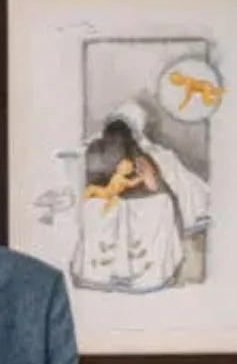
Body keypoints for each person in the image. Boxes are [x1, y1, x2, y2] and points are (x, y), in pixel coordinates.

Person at [70, 101, 210, 293]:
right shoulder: (95, 149)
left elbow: (153, 185)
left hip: (135, 202)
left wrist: (149, 180)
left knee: (163, 205)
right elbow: (92, 181)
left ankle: (137, 270)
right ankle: (111, 271)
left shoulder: (143, 154)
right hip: (109, 201)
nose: (116, 141)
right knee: (157, 205)